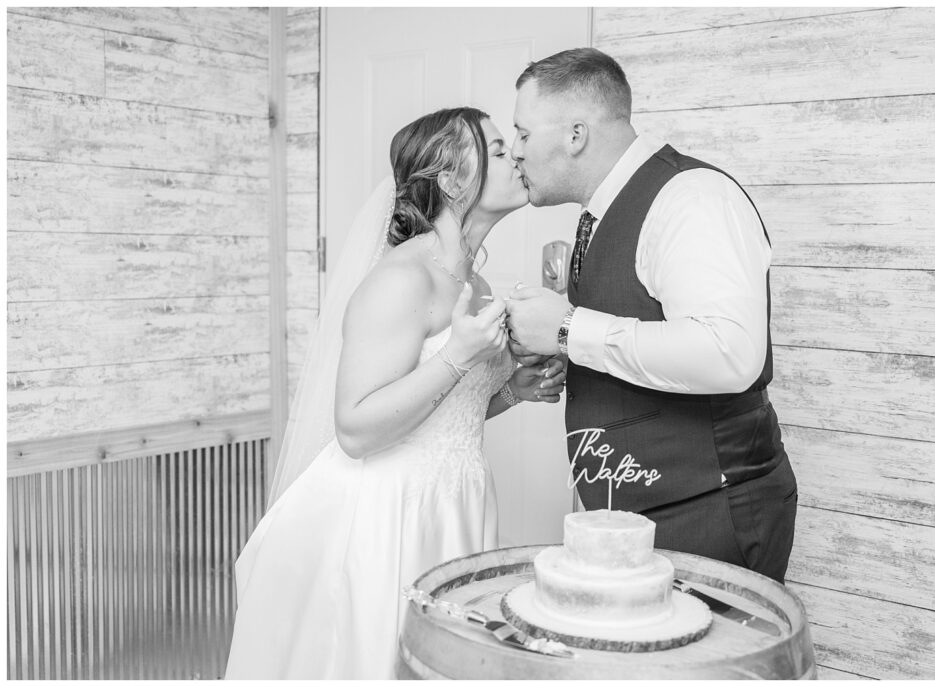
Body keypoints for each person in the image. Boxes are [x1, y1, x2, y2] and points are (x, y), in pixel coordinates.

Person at [224, 107, 565, 679]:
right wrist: (459, 356)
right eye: (500, 150)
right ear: (453, 182)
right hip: (385, 517)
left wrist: (510, 392)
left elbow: (444, 417)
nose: (518, 158)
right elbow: (356, 429)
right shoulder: (402, 278)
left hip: (456, 504)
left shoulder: (473, 282)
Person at [504, 48, 798, 584]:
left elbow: (729, 354)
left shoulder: (691, 198)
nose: (516, 152)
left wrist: (568, 329)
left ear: (575, 135)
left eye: (523, 133)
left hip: (708, 512)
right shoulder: (600, 217)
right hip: (628, 514)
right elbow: (640, 335)